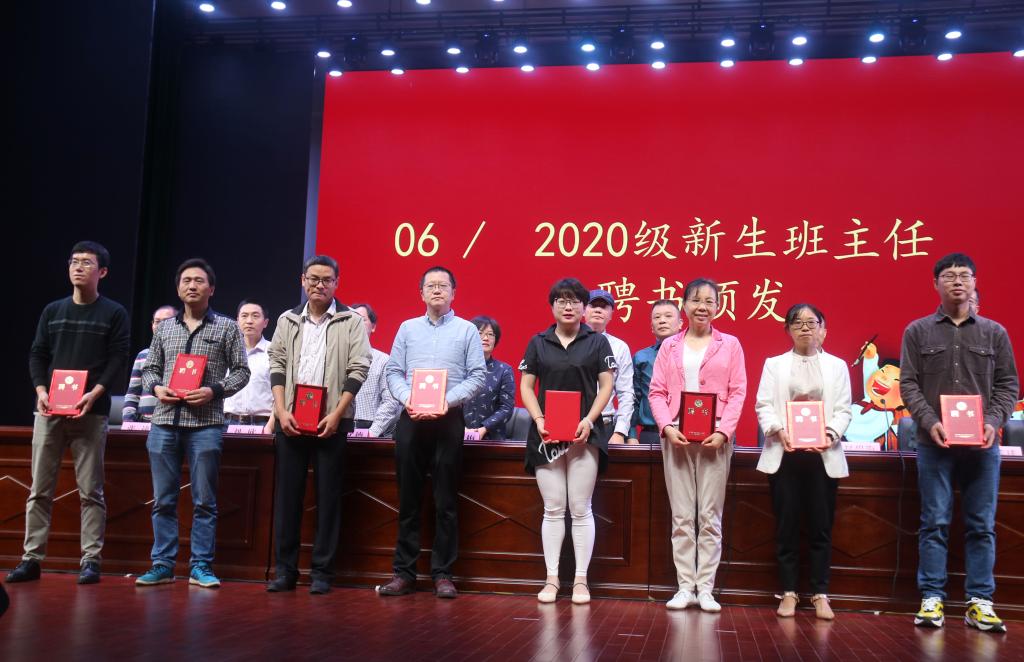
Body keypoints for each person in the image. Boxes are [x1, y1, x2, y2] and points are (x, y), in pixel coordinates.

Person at [900, 253, 1019, 633]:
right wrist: (930, 421)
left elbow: (1008, 385)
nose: (957, 282)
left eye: (964, 276)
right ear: (935, 284)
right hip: (934, 444)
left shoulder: (994, 333)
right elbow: (908, 384)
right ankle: (931, 598)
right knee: (934, 522)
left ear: (974, 282)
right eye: (949, 276)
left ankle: (980, 602)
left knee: (981, 525)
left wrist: (992, 422)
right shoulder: (917, 331)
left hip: (983, 447)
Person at [6, 241, 129, 586]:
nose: (78, 267)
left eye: (87, 263)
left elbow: (118, 358)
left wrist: (95, 393)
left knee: (91, 491)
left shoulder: (114, 313)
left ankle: (90, 560)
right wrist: (41, 391)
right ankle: (32, 558)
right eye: (74, 262)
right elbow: (37, 354)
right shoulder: (53, 310)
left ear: (102, 272)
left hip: (91, 412)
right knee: (39, 490)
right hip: (50, 412)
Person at [134, 258, 250, 589]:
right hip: (164, 422)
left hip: (206, 424)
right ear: (178, 288)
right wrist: (157, 388)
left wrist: (214, 390)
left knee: (204, 501)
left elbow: (242, 372)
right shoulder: (165, 328)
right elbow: (150, 369)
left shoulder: (227, 327)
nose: (192, 285)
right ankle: (162, 564)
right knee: (163, 500)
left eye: (199, 281)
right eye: (186, 280)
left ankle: (200, 565)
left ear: (211, 289)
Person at [378, 266, 486, 599]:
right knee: (408, 499)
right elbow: (393, 372)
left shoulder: (467, 330)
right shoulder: (407, 328)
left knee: (445, 501)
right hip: (411, 418)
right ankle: (404, 573)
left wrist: (444, 401)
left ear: (454, 292)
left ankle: (443, 574)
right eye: (431, 286)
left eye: (443, 285)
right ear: (421, 293)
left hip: (448, 419)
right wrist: (407, 398)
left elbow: (477, 376)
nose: (437, 290)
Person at [266, 256, 371, 595]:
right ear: (303, 280)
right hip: (291, 420)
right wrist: (281, 411)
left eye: (327, 280)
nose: (319, 285)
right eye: (313, 279)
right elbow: (277, 364)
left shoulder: (351, 320)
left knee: (328, 499)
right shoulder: (287, 319)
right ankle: (285, 571)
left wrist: (337, 414)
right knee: (288, 499)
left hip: (331, 422)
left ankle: (322, 572)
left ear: (337, 283)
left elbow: (359, 368)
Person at [649, 278, 747, 612]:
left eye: (709, 301)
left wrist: (724, 432)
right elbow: (657, 392)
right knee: (681, 516)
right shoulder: (669, 346)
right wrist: (666, 426)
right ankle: (684, 588)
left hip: (714, 439)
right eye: (695, 300)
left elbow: (738, 392)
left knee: (709, 515)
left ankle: (705, 588)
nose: (702, 307)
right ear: (684, 305)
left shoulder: (730, 345)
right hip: (677, 437)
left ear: (718, 306)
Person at [519, 278, 615, 605]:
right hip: (546, 435)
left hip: (585, 433)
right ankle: (552, 579)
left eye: (574, 301)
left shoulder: (597, 342)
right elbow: (527, 386)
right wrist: (539, 419)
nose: (568, 306)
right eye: (561, 300)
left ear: (584, 307)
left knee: (580, 507)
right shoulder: (538, 342)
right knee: (553, 508)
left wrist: (589, 419)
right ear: (552, 306)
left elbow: (606, 386)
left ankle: (581, 581)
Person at [755, 303, 852, 620]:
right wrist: (778, 430)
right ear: (788, 330)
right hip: (785, 454)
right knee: (787, 525)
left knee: (821, 527)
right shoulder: (774, 364)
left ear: (823, 329)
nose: (805, 328)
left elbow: (844, 409)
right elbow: (764, 405)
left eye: (812, 322)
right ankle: (788, 592)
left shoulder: (837, 366)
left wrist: (829, 433)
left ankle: (820, 593)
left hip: (823, 455)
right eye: (797, 323)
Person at [584, 290, 635, 445]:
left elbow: (626, 393)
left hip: (605, 425)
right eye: (593, 305)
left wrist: (619, 432)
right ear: (583, 310)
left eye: (603, 306)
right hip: (573, 423)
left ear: (611, 314)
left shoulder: (620, 347)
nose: (598, 310)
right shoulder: (570, 341)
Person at [630, 300, 683, 445]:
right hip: (652, 433)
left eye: (668, 316)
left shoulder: (692, 355)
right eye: (657, 317)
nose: (662, 320)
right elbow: (634, 398)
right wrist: (631, 434)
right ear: (652, 327)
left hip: (685, 431)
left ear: (680, 323)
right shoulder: (641, 357)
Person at [223, 300, 275, 433]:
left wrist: (270, 426)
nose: (249, 321)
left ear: (266, 322)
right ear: (237, 321)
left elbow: (281, 394)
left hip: (263, 423)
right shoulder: (226, 351)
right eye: (244, 316)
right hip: (227, 423)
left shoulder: (274, 351)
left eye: (255, 316)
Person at [350, 302, 402, 437]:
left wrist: (372, 433)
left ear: (373, 327)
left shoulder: (383, 360)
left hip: (370, 429)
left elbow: (390, 402)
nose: (357, 323)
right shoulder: (336, 358)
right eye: (353, 319)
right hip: (338, 428)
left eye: (362, 319)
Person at [463, 315, 516, 440]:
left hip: (491, 437)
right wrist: (461, 429)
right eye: (480, 333)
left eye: (490, 334)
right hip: (456, 435)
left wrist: (484, 428)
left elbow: (506, 408)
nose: (485, 338)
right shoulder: (458, 368)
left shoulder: (504, 370)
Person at [122, 305, 177, 423]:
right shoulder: (143, 355)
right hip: (143, 422)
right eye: (157, 322)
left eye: (166, 321)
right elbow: (133, 394)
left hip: (170, 423)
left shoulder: (183, 356)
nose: (160, 326)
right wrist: (128, 421)